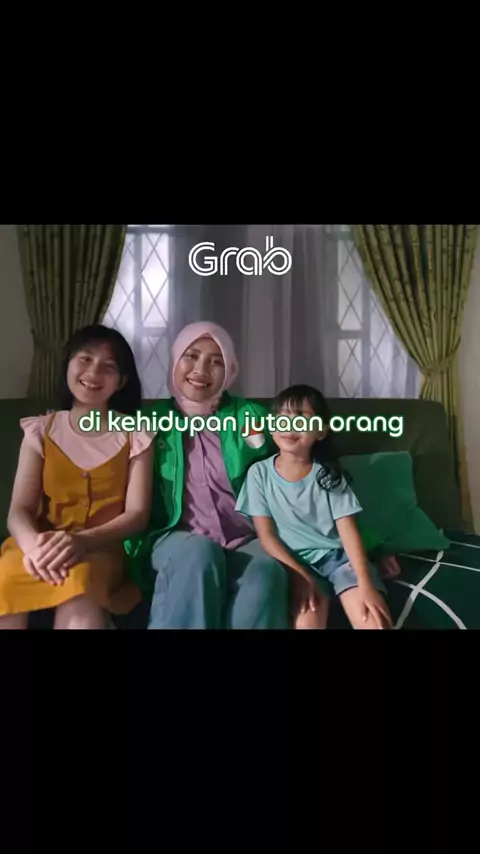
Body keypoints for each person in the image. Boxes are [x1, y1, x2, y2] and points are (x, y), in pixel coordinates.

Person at [124, 321, 289, 629]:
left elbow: (298, 477)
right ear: (175, 360)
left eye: (216, 361)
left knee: (268, 571)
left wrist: (366, 548)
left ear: (230, 370)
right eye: (191, 356)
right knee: (199, 552)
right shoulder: (147, 422)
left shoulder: (250, 417)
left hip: (245, 537)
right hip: (175, 540)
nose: (201, 369)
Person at [0, 325, 155, 630]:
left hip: (101, 549)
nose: (94, 372)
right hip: (39, 543)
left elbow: (137, 515)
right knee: (6, 581)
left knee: (81, 592)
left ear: (121, 381)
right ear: (68, 365)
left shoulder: (136, 436)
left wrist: (82, 541)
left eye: (108, 366)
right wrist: (34, 548)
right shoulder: (40, 430)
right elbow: (19, 510)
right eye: (85, 359)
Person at [235, 384, 395, 630]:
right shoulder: (259, 474)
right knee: (307, 622)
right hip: (296, 563)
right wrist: (299, 576)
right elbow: (266, 537)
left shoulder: (329, 475)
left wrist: (365, 584)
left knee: (373, 620)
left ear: (320, 432)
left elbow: (348, 531)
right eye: (283, 418)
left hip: (338, 559)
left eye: (301, 418)